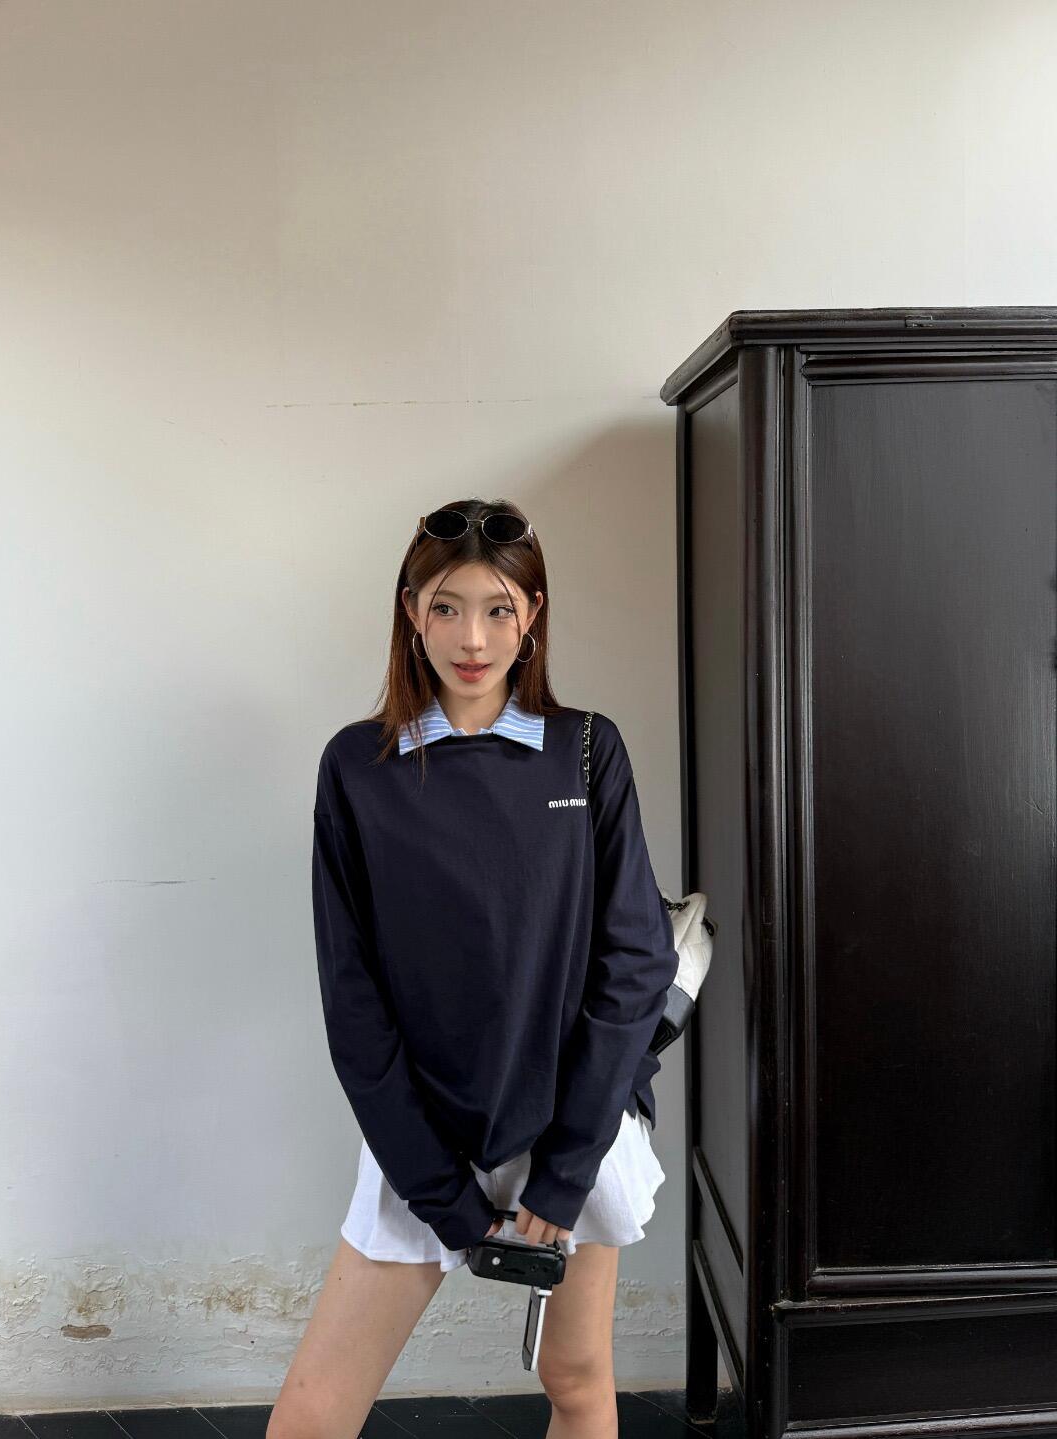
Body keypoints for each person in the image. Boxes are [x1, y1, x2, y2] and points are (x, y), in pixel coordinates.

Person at [268, 498, 679, 1439]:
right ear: (411, 611)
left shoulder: (586, 749)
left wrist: (562, 1176)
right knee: (312, 1414)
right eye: (447, 607)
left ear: (533, 614)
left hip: (572, 1125)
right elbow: (353, 1003)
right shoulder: (358, 767)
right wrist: (442, 1196)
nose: (473, 639)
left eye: (499, 608)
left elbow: (634, 964)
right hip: (426, 1135)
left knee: (576, 1381)